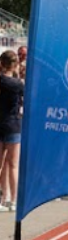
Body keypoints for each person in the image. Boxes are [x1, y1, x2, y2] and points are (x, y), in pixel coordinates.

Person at [0, 50, 23, 211]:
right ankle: (14, 200)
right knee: (13, 165)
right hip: (13, 124)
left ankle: (4, 197)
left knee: (2, 165)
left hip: (0, 124)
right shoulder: (18, 84)